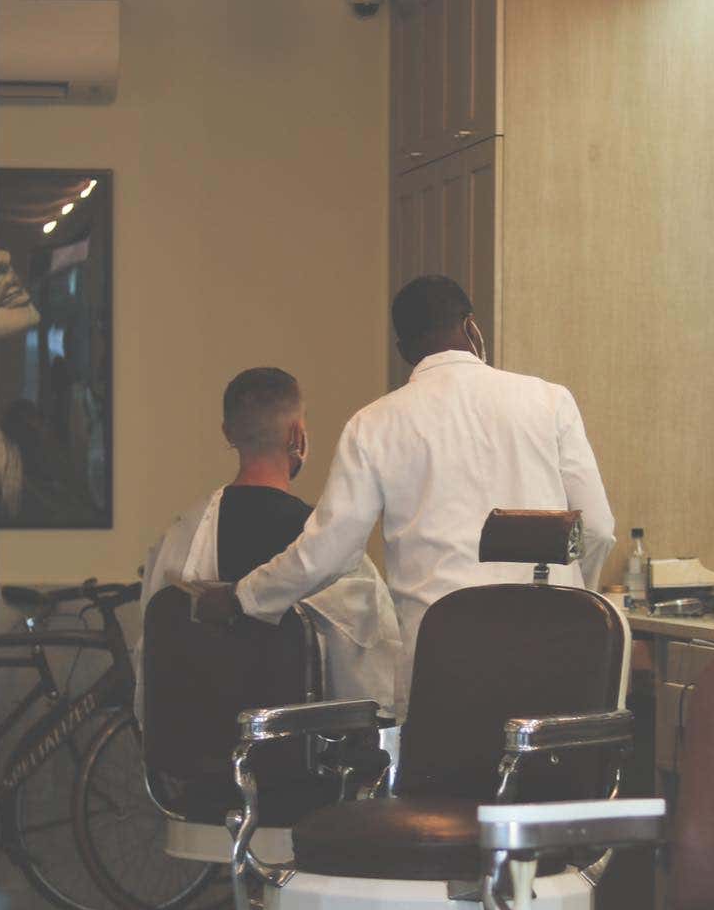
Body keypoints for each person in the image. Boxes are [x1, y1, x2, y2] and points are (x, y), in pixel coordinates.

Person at [200, 277, 615, 716]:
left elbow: (329, 552)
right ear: (472, 328)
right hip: (553, 650)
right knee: (557, 782)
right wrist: (568, 601)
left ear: (403, 353)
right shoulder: (550, 402)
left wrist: (244, 597)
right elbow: (599, 531)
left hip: (445, 660)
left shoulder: (374, 423)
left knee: (449, 783)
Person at [134, 366, 400, 721]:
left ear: (228, 433)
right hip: (296, 757)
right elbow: (375, 677)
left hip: (198, 750)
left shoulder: (181, 537)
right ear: (297, 435)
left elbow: (151, 653)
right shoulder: (324, 545)